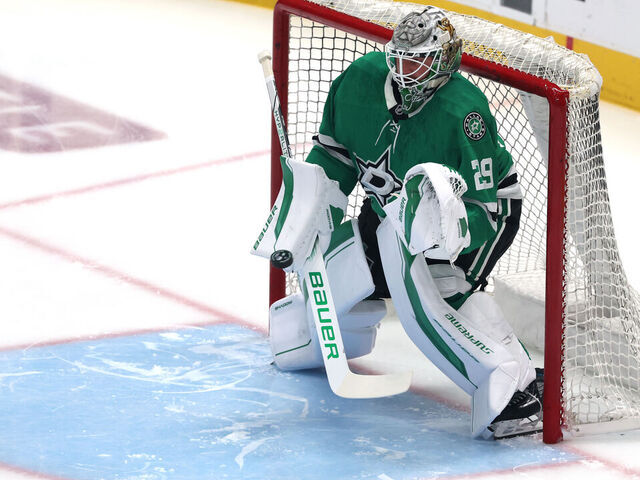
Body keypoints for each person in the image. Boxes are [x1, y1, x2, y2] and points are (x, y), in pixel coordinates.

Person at [252, 6, 542, 439]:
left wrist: (438, 249)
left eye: (419, 60)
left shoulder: (466, 115)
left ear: (444, 61)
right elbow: (335, 159)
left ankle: (516, 386)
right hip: (393, 210)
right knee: (337, 276)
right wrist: (312, 210)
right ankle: (306, 340)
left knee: (440, 291)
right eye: (400, 57)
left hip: (477, 215)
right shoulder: (358, 82)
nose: (405, 70)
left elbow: (485, 204)